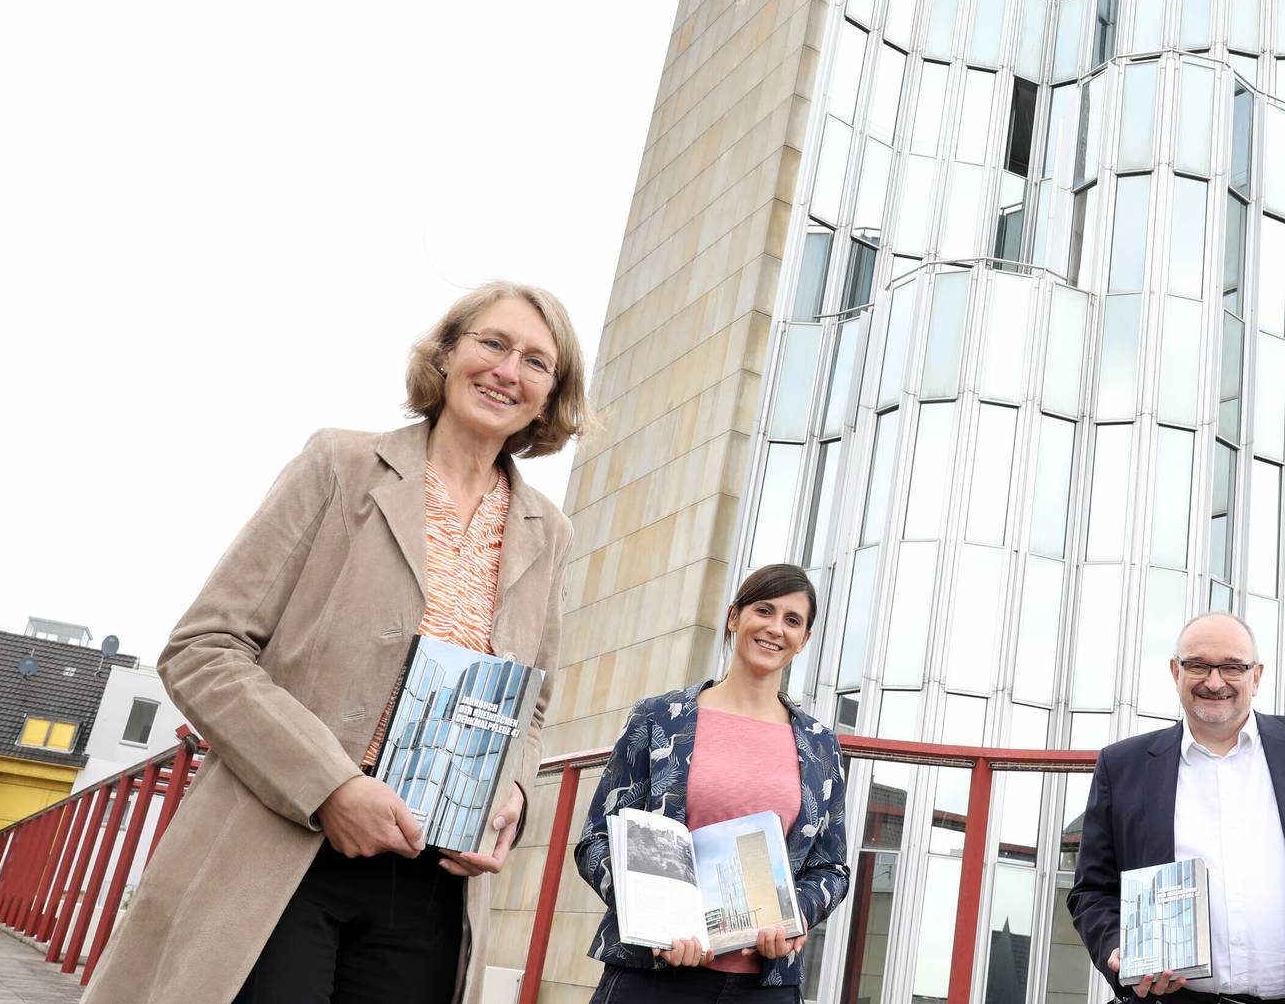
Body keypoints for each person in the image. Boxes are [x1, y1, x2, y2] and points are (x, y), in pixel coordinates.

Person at [85, 281, 588, 1004]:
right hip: (280, 847)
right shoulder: (339, 464)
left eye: (536, 362)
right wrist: (332, 787)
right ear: (446, 354)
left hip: (431, 878)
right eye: (493, 343)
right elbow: (203, 648)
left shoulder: (550, 532)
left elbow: (530, 708)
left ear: (550, 397)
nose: (509, 371)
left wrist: (512, 792)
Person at [1068, 612, 1285, 1003]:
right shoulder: (1122, 767)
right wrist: (1118, 947)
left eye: (1232, 667)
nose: (1214, 682)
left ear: (1256, 676)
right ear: (1176, 671)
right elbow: (1092, 890)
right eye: (1198, 666)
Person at [574, 563, 850, 1002]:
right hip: (653, 978)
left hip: (765, 987)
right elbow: (596, 841)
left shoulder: (820, 745)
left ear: (804, 640)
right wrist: (655, 923)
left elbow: (831, 868)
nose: (775, 629)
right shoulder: (658, 719)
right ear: (734, 617)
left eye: (792, 620)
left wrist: (796, 912)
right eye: (764, 610)